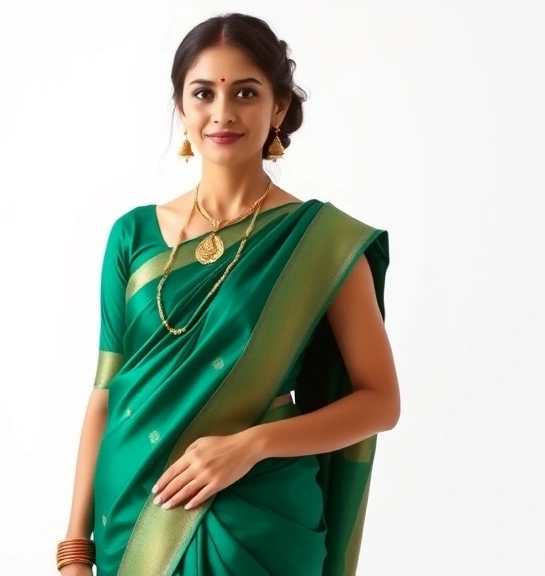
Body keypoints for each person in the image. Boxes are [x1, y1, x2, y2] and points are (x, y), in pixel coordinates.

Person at [56, 13, 401, 576]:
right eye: (203, 93)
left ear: (279, 107)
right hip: (132, 506)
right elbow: (104, 395)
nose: (222, 112)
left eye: (245, 92)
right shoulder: (133, 236)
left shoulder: (319, 242)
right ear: (180, 107)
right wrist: (76, 547)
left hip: (258, 516)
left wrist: (252, 445)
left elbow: (380, 402)